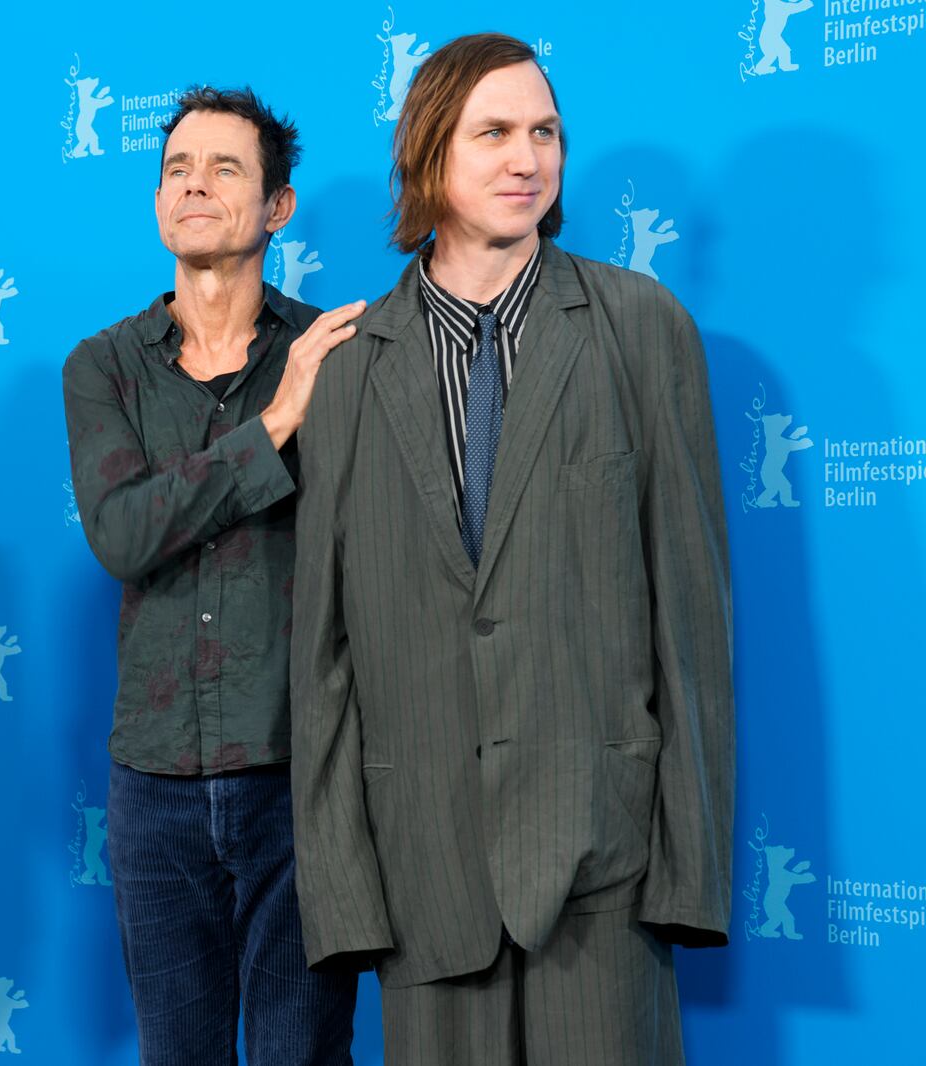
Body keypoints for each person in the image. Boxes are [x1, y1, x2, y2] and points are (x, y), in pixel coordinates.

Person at [289, 34, 734, 1065]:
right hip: (423, 878)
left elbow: (691, 616)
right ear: (429, 152)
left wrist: (687, 872)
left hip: (602, 869)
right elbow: (323, 654)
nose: (524, 158)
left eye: (544, 133)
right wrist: (346, 892)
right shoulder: (352, 369)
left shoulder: (641, 326)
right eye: (492, 132)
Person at [62, 87, 363, 1064]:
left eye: (224, 168)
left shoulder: (340, 358)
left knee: (302, 1051)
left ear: (277, 205)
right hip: (152, 781)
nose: (193, 185)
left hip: (302, 773)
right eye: (176, 169)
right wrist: (275, 427)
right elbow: (120, 533)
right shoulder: (101, 367)